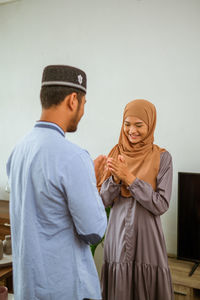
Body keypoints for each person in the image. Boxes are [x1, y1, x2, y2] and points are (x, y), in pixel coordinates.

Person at [6, 65, 107, 300]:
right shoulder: (73, 157)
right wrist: (92, 184)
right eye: (84, 103)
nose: (83, 111)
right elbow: (93, 231)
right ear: (73, 100)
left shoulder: (18, 151)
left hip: (28, 289)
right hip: (65, 290)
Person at [98, 99, 174, 300]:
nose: (132, 130)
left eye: (139, 125)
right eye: (127, 124)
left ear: (150, 125)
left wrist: (129, 178)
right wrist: (115, 179)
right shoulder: (115, 153)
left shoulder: (162, 158)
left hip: (147, 240)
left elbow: (161, 204)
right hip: (117, 236)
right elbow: (102, 201)